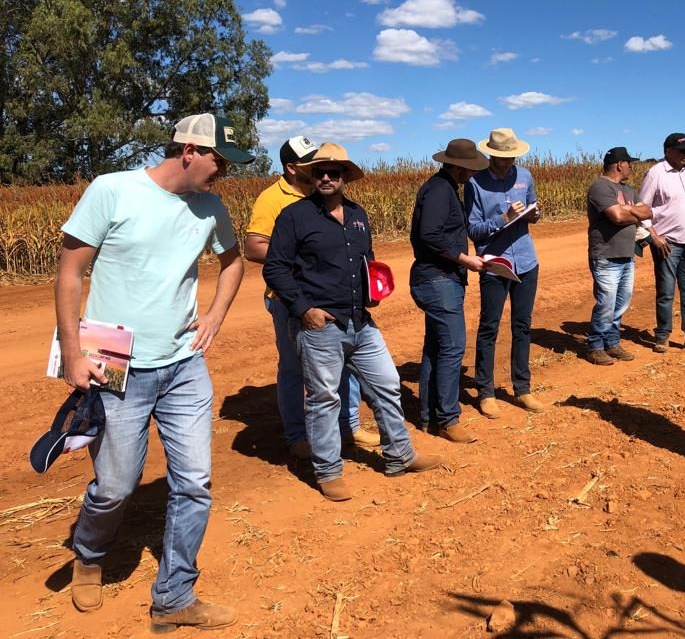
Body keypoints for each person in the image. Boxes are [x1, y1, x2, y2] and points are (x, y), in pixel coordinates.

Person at [54, 113, 253, 631]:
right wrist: (74, 354)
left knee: (195, 483)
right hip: (114, 360)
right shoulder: (112, 190)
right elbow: (70, 270)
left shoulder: (210, 207)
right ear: (189, 150)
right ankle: (90, 554)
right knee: (116, 486)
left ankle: (174, 597)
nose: (222, 174)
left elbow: (234, 262)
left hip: (184, 364)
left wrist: (213, 315)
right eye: (219, 161)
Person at [263, 143, 441, 501]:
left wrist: (374, 286)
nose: (327, 178)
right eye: (320, 172)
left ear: (345, 177)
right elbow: (275, 268)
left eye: (335, 172)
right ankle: (328, 471)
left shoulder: (358, 215)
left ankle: (399, 455)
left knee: (388, 384)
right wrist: (303, 309)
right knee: (325, 397)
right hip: (320, 324)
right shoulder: (295, 216)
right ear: (311, 177)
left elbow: (367, 259)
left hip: (361, 321)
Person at [244, 136, 378, 459]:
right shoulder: (272, 199)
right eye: (312, 165)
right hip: (289, 298)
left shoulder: (324, 196)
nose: (322, 172)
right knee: (293, 367)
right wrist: (299, 258)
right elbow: (253, 246)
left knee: (345, 361)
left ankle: (350, 426)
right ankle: (297, 435)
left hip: (332, 299)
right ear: (292, 167)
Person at [409, 138, 489, 442]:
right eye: (468, 168)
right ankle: (448, 419)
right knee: (454, 347)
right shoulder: (440, 190)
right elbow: (428, 234)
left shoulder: (440, 188)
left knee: (437, 348)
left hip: (437, 278)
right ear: (456, 165)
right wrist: (465, 259)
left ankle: (430, 417)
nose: (471, 173)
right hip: (438, 279)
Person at [466, 128, 545, 417]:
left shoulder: (525, 176)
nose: (508, 161)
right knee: (489, 326)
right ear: (491, 154)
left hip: (526, 260)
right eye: (502, 157)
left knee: (522, 326)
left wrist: (534, 214)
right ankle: (485, 392)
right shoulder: (475, 183)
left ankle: (522, 388)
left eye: (512, 156)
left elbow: (535, 209)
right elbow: (473, 229)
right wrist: (504, 218)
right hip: (495, 264)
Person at [638, 133, 685, 354]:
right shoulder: (656, 173)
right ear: (667, 151)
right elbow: (642, 207)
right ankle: (662, 335)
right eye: (681, 151)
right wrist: (653, 236)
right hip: (667, 242)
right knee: (666, 291)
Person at [585, 147, 653, 365]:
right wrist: (632, 211)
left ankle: (612, 342)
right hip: (605, 255)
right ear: (619, 164)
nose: (631, 167)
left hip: (626, 254)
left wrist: (628, 210)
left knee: (621, 302)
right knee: (606, 302)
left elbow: (648, 212)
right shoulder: (600, 187)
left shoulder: (629, 190)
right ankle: (595, 345)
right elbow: (616, 216)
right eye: (629, 163)